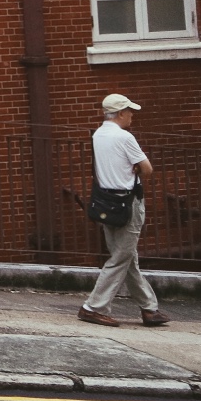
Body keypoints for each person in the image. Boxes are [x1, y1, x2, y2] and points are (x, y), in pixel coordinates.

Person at [78, 93, 170, 328]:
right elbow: (147, 169)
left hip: (106, 202)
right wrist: (135, 170)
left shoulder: (98, 134)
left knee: (127, 257)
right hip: (127, 203)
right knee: (121, 258)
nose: (132, 116)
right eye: (129, 111)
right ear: (120, 113)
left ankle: (149, 308)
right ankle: (93, 307)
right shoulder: (124, 137)